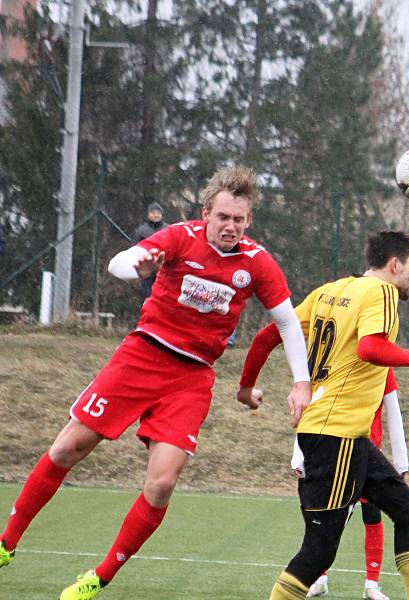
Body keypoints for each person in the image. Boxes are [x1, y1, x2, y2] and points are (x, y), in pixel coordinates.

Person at [0, 166, 312, 600]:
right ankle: (6, 543)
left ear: (249, 221)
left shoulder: (256, 263)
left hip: (192, 378)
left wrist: (301, 382)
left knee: (162, 484)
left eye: (239, 220)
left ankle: (100, 577)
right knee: (68, 447)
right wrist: (139, 265)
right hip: (142, 355)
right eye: (223, 217)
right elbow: (120, 262)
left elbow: (287, 323)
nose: (231, 226)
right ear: (206, 213)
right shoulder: (180, 237)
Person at [237, 230, 409, 600]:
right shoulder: (382, 292)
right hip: (334, 436)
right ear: (394, 265)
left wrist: (245, 386)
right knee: (318, 551)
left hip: (349, 439)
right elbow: (370, 347)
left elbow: (266, 337)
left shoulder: (328, 291)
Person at [239, 324, 408, 600]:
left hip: (368, 457)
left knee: (372, 516)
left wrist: (400, 463)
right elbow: (310, 408)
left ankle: (372, 585)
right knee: (327, 520)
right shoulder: (331, 367)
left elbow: (394, 411)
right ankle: (319, 578)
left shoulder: (382, 369)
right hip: (332, 454)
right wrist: (299, 454)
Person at [133, 202, 169, 302]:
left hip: (164, 269)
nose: (156, 215)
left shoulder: (168, 229)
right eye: (153, 213)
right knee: (148, 298)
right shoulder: (141, 231)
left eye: (158, 213)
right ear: (148, 214)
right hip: (147, 270)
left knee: (163, 299)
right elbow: (136, 249)